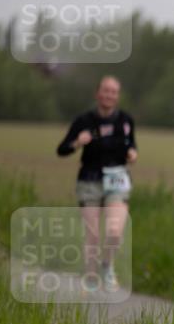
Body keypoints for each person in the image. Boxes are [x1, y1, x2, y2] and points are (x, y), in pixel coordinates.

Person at [56, 75, 137, 293]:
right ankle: (90, 275)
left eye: (114, 91)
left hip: (117, 180)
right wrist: (76, 143)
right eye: (106, 90)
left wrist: (132, 153)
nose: (109, 95)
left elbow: (132, 146)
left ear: (117, 96)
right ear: (97, 93)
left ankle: (107, 266)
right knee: (92, 233)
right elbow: (61, 150)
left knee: (115, 231)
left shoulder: (125, 120)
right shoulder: (83, 121)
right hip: (89, 180)